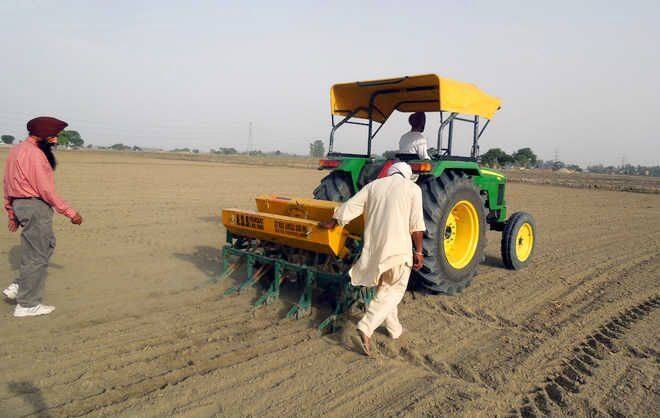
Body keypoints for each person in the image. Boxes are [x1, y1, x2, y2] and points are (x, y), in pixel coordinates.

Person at [319, 162, 425, 355]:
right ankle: (366, 326)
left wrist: (333, 222)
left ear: (390, 172)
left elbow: (350, 206)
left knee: (385, 289)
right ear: (407, 175)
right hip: (398, 251)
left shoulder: (373, 186)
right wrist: (419, 251)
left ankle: (395, 330)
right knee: (395, 290)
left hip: (374, 252)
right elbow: (416, 225)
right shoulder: (413, 189)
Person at [2, 116, 83, 317]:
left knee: (45, 246)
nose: (55, 140)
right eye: (53, 136)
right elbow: (46, 190)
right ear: (40, 135)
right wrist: (70, 212)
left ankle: (20, 285)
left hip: (20, 205)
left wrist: (12, 214)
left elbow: (6, 184)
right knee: (37, 255)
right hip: (35, 206)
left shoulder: (16, 150)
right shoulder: (36, 155)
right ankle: (27, 305)